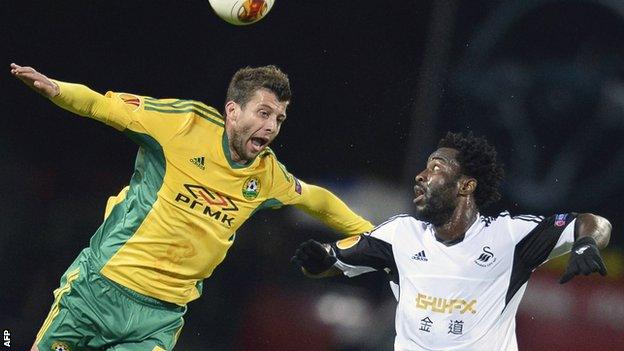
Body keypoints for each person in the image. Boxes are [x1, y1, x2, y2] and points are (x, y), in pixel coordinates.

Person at [10, 62, 374, 351]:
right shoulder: (182, 124)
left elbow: (315, 198)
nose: (271, 126)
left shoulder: (266, 176)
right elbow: (103, 106)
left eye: (279, 118)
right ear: (232, 111)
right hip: (97, 290)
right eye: (263, 113)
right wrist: (56, 89)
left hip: (158, 319)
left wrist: (371, 235)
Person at [291, 132, 611, 351]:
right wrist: (318, 263)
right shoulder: (399, 234)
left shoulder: (509, 236)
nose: (421, 175)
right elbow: (331, 264)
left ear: (465, 186)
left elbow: (594, 222)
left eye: (436, 168)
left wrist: (586, 243)